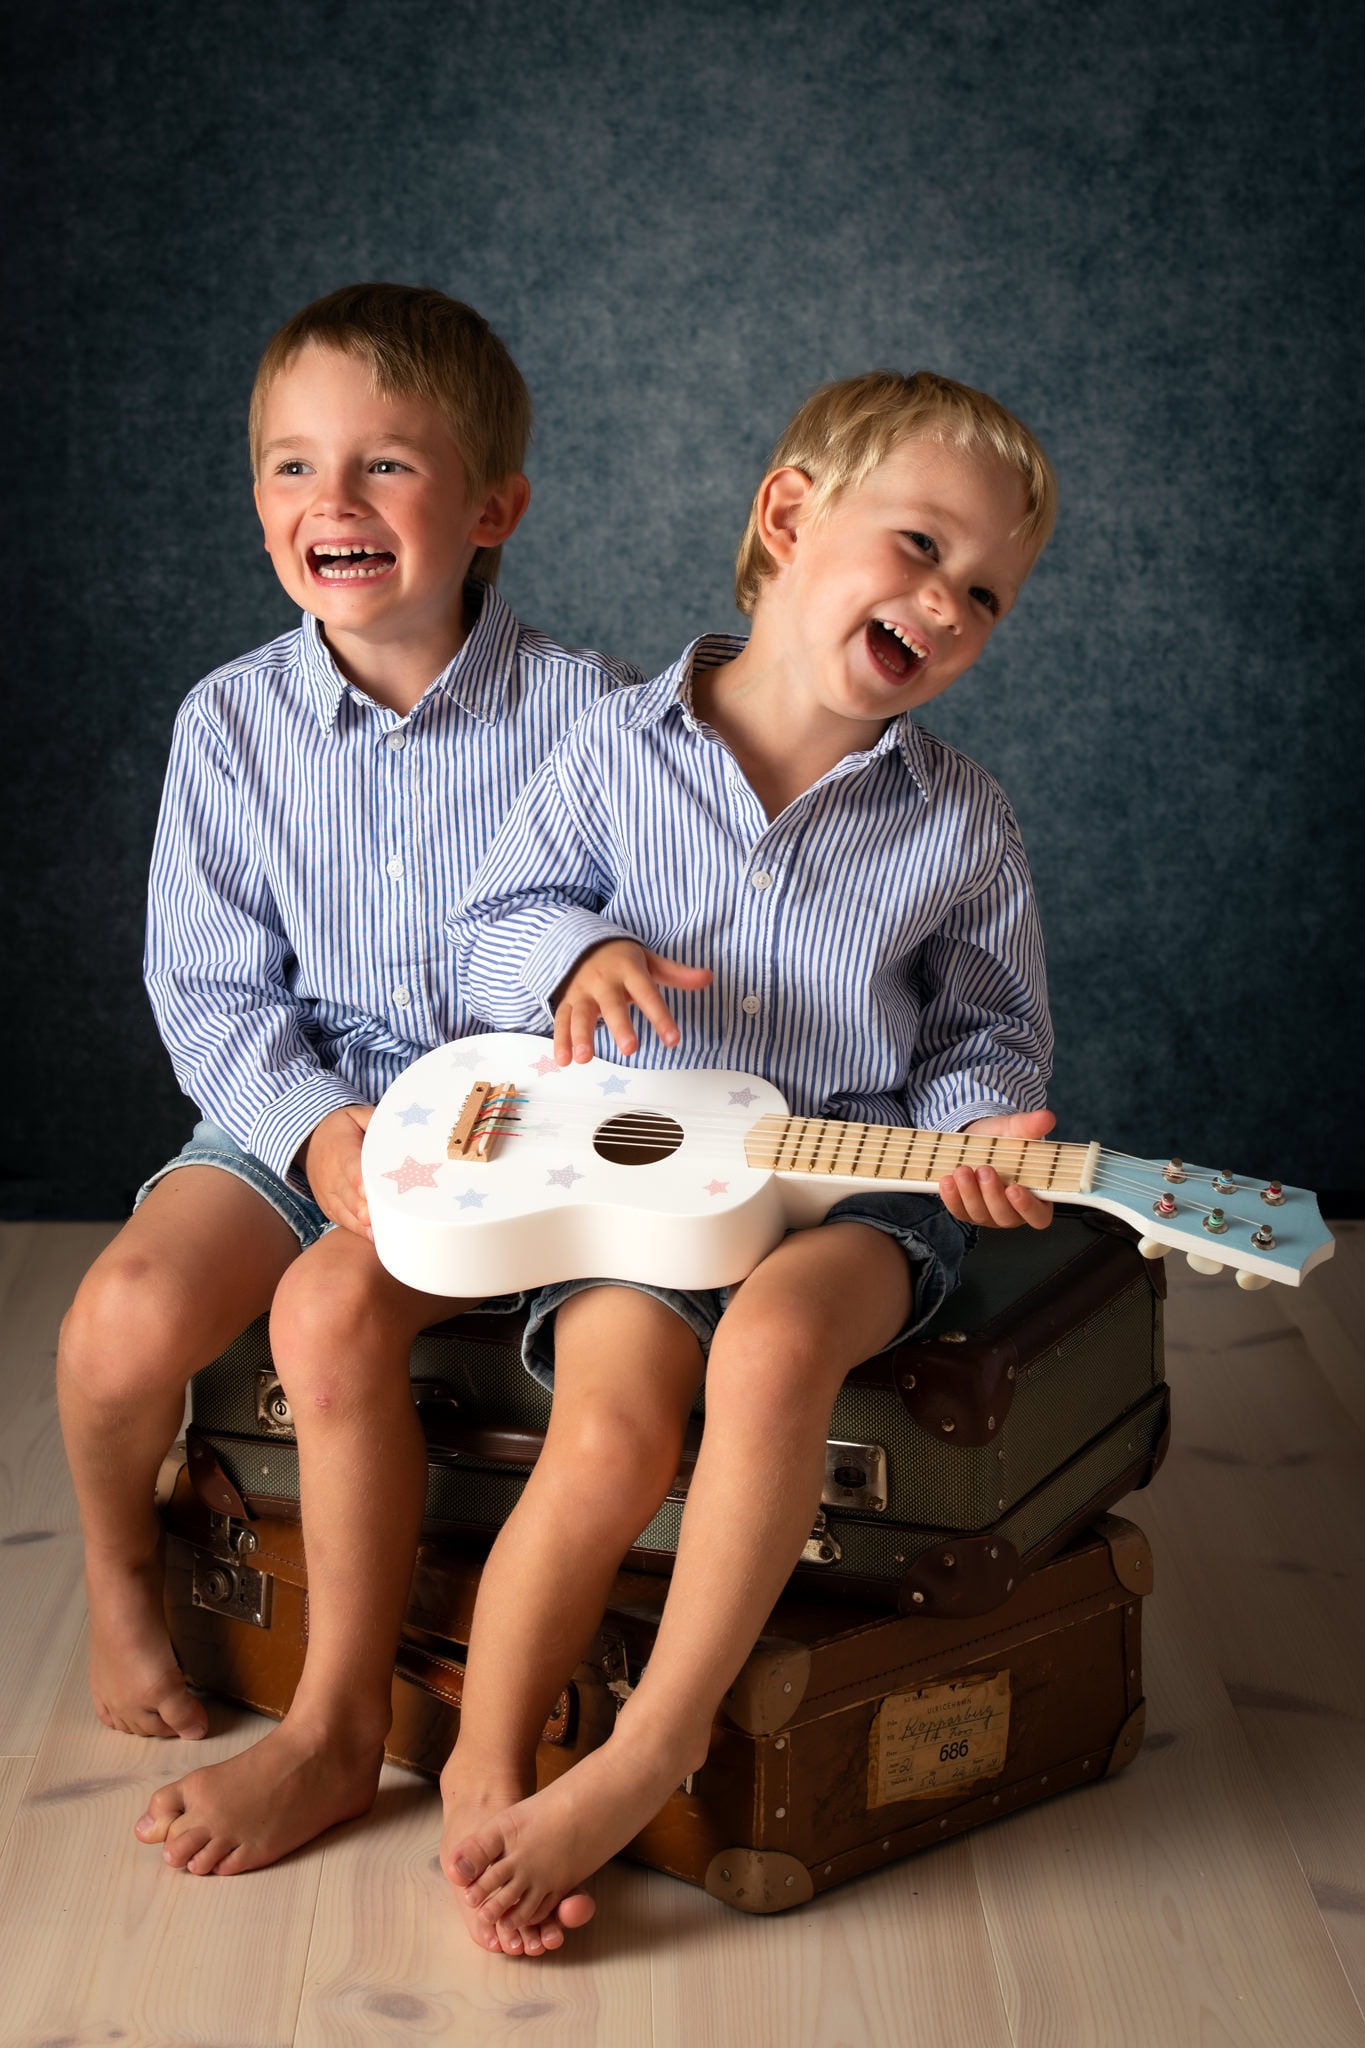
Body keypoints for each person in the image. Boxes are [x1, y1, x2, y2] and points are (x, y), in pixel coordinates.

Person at [439, 369, 1059, 1954]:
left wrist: (984, 1131)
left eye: (981, 592)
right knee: (608, 1421)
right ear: (788, 518)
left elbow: (987, 1038)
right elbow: (494, 919)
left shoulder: (959, 820)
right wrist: (578, 956)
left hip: (847, 1185)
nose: (944, 600)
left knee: (780, 1344)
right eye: (918, 545)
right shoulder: (603, 748)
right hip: (642, 1191)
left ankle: (653, 1744)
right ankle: (483, 1762)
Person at [55, 282, 638, 1882]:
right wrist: (315, 1132)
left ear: (491, 506)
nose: (334, 505)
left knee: (325, 1321)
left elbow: (616, 947)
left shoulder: (595, 723)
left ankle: (329, 1735)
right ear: (259, 502)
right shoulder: (231, 725)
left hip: (499, 1132)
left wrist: (478, 1121)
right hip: (290, 1094)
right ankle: (124, 1578)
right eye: (293, 468)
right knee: (115, 1325)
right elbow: (207, 987)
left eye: (385, 466)